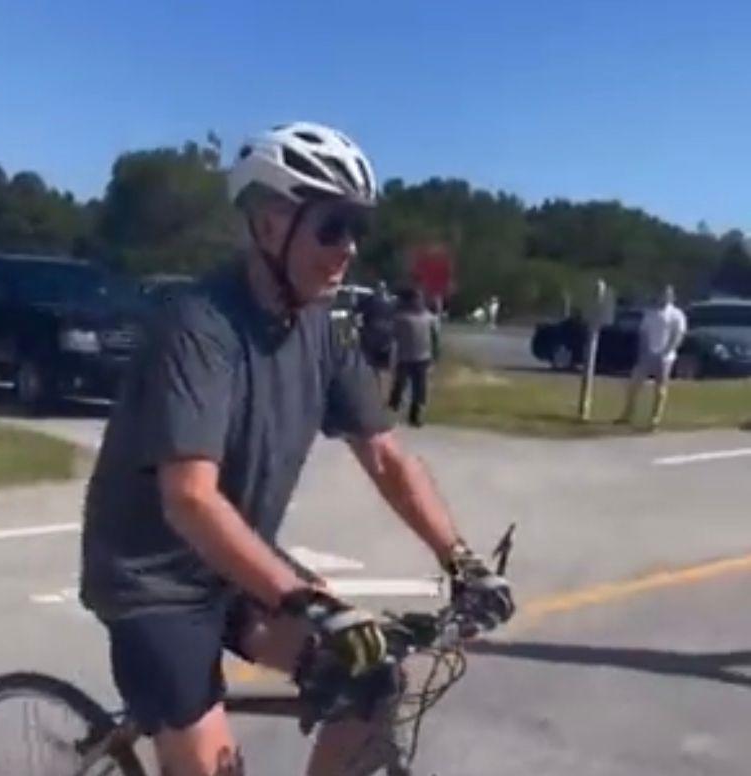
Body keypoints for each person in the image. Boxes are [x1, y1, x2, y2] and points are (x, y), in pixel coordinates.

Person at [78, 121, 514, 776]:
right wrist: (305, 598)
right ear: (270, 222)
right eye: (332, 226)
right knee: (212, 766)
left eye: (358, 229)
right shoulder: (199, 330)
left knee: (370, 679)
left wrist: (461, 562)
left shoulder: (321, 330)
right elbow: (190, 498)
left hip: (236, 570)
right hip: (152, 582)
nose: (348, 249)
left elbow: (389, 457)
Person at [617, 284, 687, 430]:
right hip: (648, 354)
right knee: (634, 384)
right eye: (662, 294)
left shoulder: (676, 314)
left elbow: (678, 335)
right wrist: (644, 351)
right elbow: (643, 333)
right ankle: (627, 414)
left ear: (672, 297)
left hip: (665, 357)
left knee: (660, 388)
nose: (664, 297)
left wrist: (667, 351)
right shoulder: (650, 313)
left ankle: (655, 418)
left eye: (668, 294)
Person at [388, 287, 440, 428]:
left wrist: (436, 355)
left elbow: (435, 338)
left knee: (420, 390)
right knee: (399, 386)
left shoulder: (429, 318)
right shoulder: (401, 318)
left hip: (422, 358)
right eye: (415, 300)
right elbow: (392, 336)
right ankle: (392, 412)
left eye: (419, 299)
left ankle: (415, 416)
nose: (418, 302)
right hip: (405, 357)